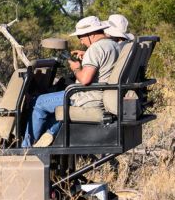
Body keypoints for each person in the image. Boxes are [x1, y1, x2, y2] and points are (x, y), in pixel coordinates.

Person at [22, 16, 121, 147]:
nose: (80, 40)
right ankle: (50, 133)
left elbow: (85, 79)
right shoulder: (113, 45)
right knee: (53, 106)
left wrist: (76, 69)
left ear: (90, 34)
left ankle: (25, 149)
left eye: (81, 36)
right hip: (102, 95)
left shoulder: (95, 49)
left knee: (38, 102)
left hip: (88, 97)